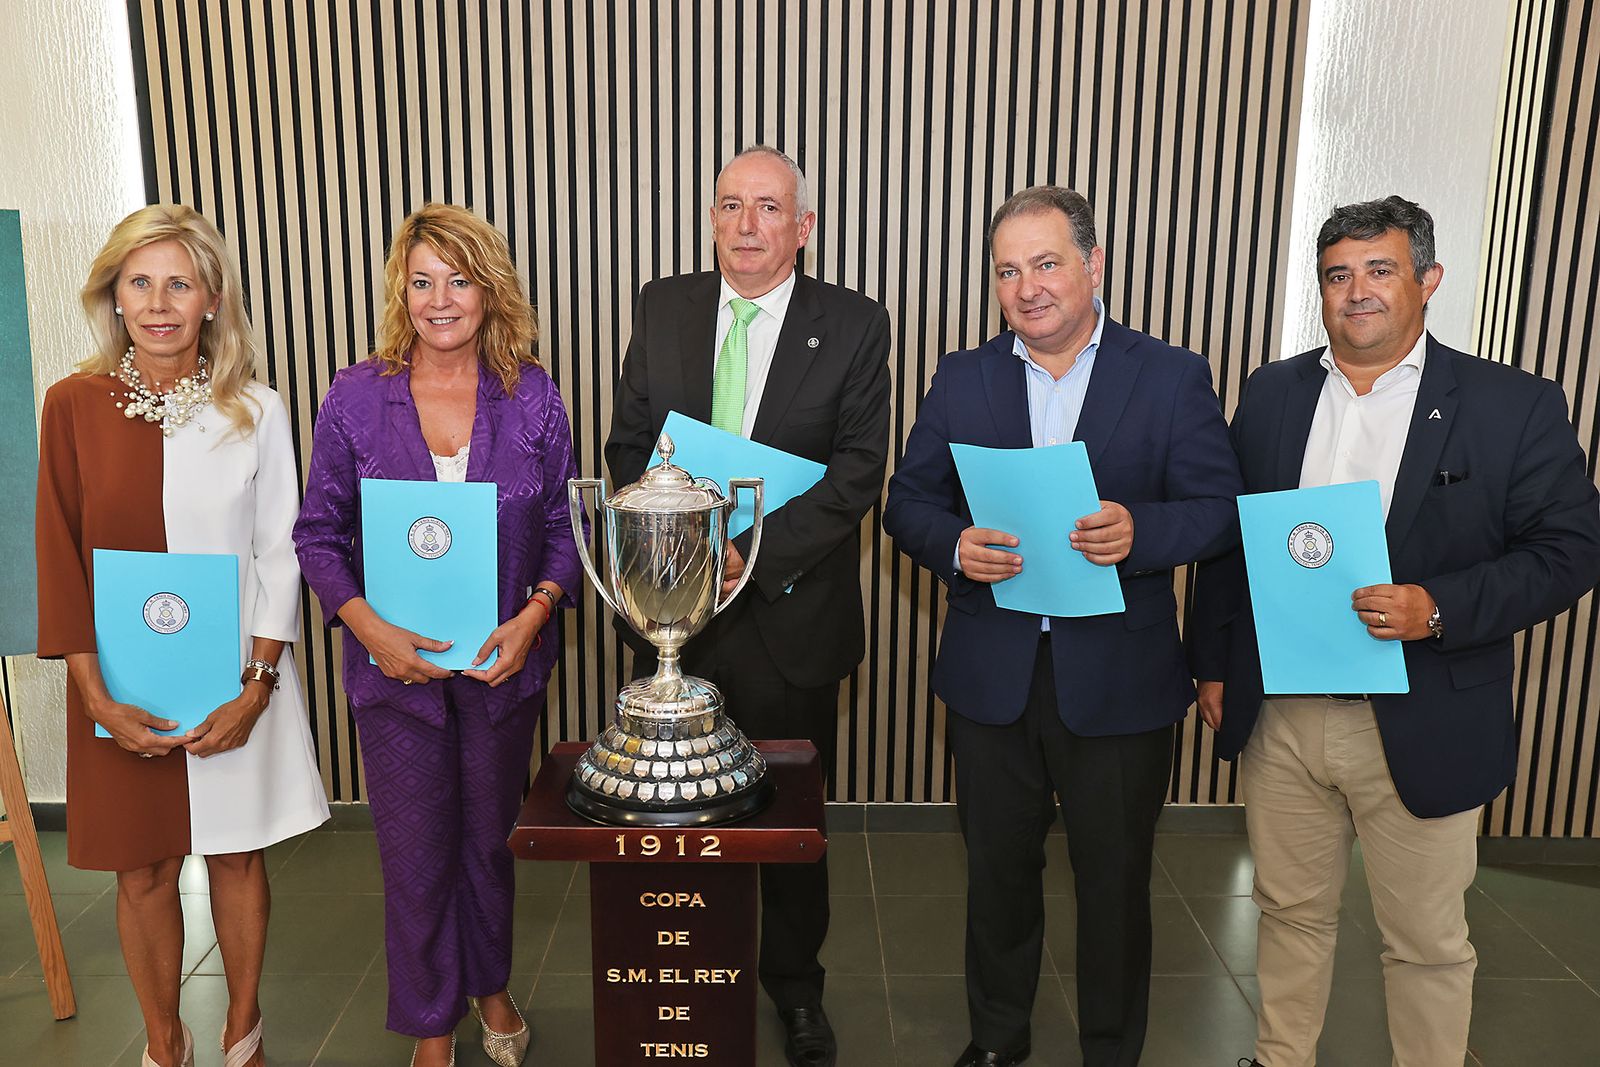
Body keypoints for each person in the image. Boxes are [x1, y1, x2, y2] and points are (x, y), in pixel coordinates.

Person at [1187, 196, 1600, 1067]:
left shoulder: (1511, 404)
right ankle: (1278, 1055)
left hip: (1424, 711)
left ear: (1428, 281)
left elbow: (1569, 552)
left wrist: (1437, 606)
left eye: (1380, 270)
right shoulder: (1271, 392)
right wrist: (1213, 664)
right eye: (1338, 275)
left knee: (1425, 939)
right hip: (1285, 714)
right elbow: (1229, 538)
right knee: (1289, 911)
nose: (1357, 292)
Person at [882, 186, 1242, 1067]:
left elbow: (1220, 509)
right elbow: (906, 501)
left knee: (1114, 887)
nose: (1027, 287)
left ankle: (1110, 1051)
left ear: (1094, 265)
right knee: (997, 880)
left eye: (1046, 263)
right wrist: (956, 544)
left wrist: (1140, 532)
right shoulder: (964, 377)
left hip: (1118, 683)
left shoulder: (1168, 375)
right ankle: (997, 1041)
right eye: (1009, 270)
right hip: (991, 678)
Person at [604, 145, 891, 1067]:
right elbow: (628, 444)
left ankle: (795, 990)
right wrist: (683, 552)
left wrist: (748, 554)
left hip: (789, 616)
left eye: (768, 208)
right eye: (730, 205)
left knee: (785, 820)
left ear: (802, 228)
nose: (746, 225)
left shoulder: (853, 324)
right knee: (679, 816)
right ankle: (693, 974)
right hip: (674, 618)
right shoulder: (664, 306)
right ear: (713, 218)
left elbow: (856, 476)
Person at [35, 204, 331, 1067]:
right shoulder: (72, 405)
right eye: (140, 282)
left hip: (242, 679)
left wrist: (258, 685)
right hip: (119, 689)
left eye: (180, 282)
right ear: (114, 297)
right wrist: (95, 696)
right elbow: (59, 557)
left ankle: (244, 1028)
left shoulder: (258, 409)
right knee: (144, 872)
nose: (159, 302)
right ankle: (166, 1042)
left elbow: (282, 549)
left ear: (211, 298)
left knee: (238, 858)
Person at [293, 203, 579, 1067]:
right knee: (414, 852)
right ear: (400, 290)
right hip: (394, 674)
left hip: (500, 668)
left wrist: (535, 614)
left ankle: (490, 985)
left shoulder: (531, 396)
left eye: (459, 279)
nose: (440, 299)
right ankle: (429, 1021)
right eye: (422, 281)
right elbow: (318, 534)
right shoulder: (354, 396)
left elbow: (567, 529)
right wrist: (371, 628)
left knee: (488, 842)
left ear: (490, 290)